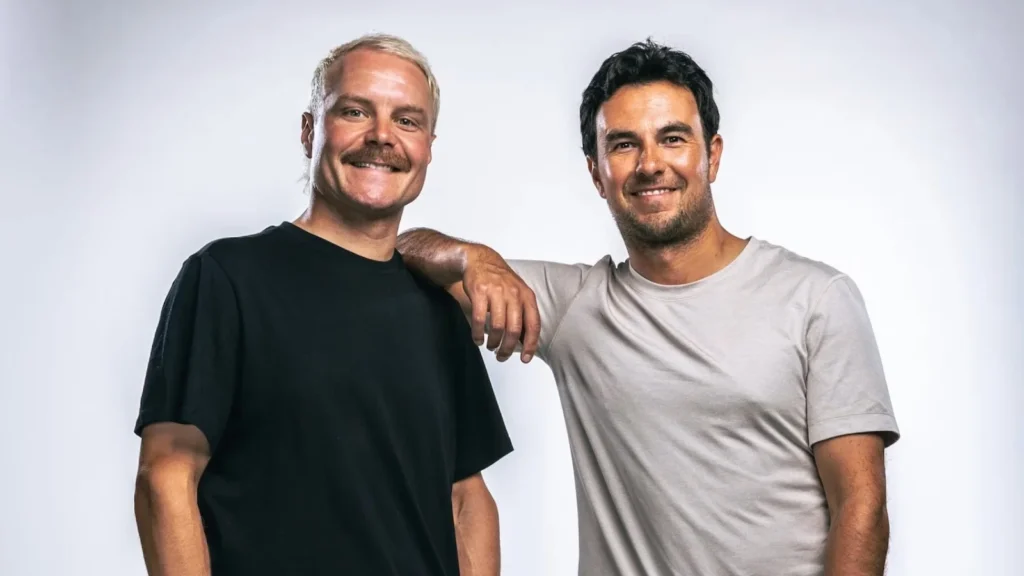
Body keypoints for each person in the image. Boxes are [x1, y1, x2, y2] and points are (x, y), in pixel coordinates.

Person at [396, 39, 900, 576]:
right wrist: (473, 257)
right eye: (623, 145)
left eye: (673, 138)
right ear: (597, 174)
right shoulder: (574, 307)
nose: (650, 164)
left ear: (713, 155)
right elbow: (399, 253)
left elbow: (861, 508)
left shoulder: (816, 298)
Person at [132, 34, 512, 576]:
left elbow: (465, 498)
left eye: (407, 121)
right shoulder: (228, 277)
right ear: (310, 130)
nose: (382, 136)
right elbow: (166, 476)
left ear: (428, 146)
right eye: (355, 111)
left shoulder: (438, 307)